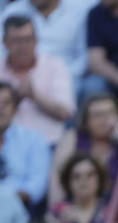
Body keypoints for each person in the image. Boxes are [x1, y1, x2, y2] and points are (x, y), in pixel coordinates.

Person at [49, 91, 118, 207]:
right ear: (86, 121)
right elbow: (58, 175)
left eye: (110, 113)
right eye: (98, 115)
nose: (105, 120)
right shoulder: (73, 138)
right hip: (77, 213)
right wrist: (58, 208)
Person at [0, 14, 73, 145]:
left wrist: (34, 96)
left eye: (28, 39)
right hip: (5, 145)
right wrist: (15, 98)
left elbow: (66, 113)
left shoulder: (55, 66)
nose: (23, 46)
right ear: (5, 42)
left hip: (49, 142)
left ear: (36, 40)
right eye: (16, 40)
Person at [2, 0, 97, 86]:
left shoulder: (80, 8)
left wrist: (60, 77)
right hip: (19, 77)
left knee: (93, 85)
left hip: (71, 77)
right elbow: (2, 52)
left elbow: (85, 56)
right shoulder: (12, 11)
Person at [0, 81, 50, 207]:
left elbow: (36, 186)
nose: (0, 108)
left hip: (18, 208)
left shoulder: (34, 140)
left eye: (6, 103)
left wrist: (8, 201)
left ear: (15, 109)